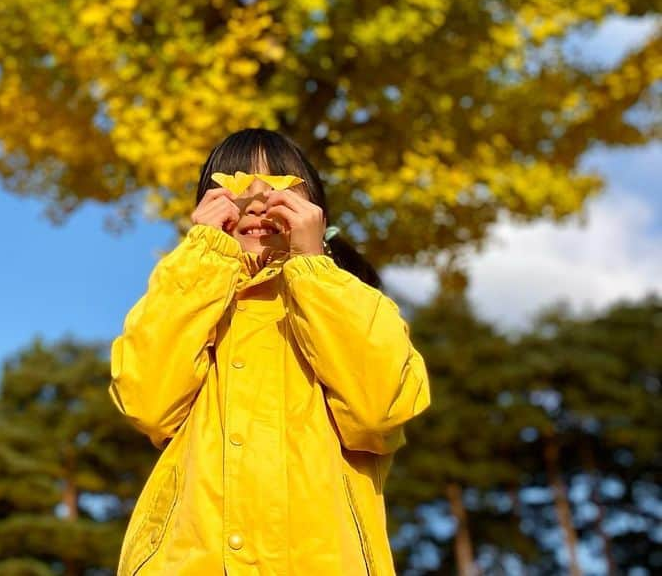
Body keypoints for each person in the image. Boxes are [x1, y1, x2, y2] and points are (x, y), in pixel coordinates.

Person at [108, 127, 431, 575]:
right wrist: (204, 255)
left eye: (279, 181)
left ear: (315, 210)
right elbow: (147, 404)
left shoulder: (355, 302)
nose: (257, 197)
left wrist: (312, 266)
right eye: (234, 181)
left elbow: (378, 412)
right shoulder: (193, 300)